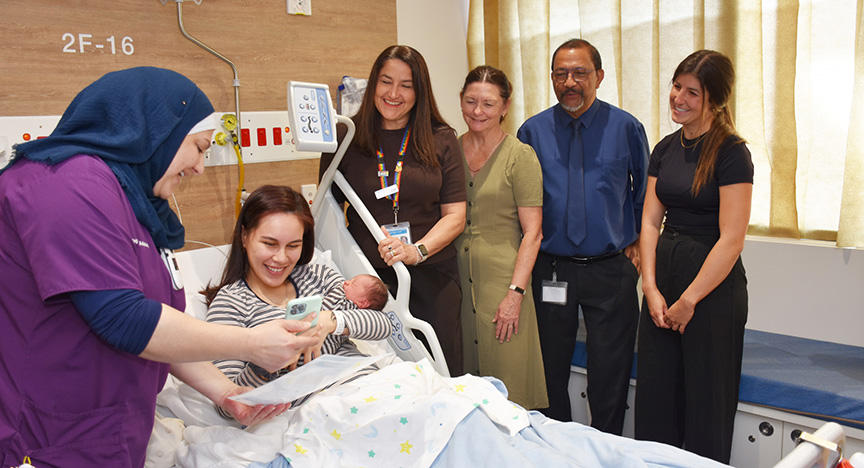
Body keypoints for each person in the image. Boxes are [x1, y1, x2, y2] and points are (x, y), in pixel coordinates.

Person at [0, 67, 321, 467]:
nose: (201, 166)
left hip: (110, 429)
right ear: (156, 131)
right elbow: (125, 319)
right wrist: (251, 343)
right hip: (47, 432)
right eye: (200, 147)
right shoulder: (65, 182)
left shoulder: (134, 204)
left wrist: (226, 393)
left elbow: (157, 331)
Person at [517, 38, 649, 434]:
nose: (569, 82)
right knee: (550, 367)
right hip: (551, 268)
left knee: (610, 370)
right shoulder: (531, 132)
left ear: (599, 77)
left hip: (611, 269)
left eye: (580, 73)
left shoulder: (626, 128)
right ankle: (559, 446)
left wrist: (641, 246)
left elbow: (645, 194)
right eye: (561, 74)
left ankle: (606, 448)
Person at [634, 50, 752, 464]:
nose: (678, 98)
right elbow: (649, 222)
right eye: (676, 86)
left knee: (707, 404)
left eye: (692, 92)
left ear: (715, 100)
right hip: (663, 279)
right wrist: (649, 287)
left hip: (711, 289)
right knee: (656, 398)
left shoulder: (732, 152)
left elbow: (732, 240)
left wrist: (690, 300)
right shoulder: (665, 148)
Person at [319, 45, 467, 376]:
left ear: (420, 91)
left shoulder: (441, 139)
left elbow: (456, 215)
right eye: (386, 81)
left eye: (406, 85)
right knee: (383, 374)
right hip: (367, 280)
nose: (394, 93)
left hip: (432, 276)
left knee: (441, 372)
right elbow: (323, 213)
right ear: (373, 83)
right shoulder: (345, 136)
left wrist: (417, 251)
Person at [204, 185, 393, 397]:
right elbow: (229, 399)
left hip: (370, 385)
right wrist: (265, 361)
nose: (281, 258)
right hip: (316, 409)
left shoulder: (317, 275)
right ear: (245, 236)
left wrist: (329, 321)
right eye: (270, 244)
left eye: (293, 246)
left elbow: (383, 325)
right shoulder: (231, 302)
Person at [454, 65, 547, 409]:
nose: (478, 112)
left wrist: (515, 294)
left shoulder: (520, 157)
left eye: (489, 104)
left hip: (503, 286)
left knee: (509, 391)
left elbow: (533, 233)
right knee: (463, 390)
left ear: (505, 107)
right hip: (457, 285)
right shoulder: (449, 149)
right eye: (470, 101)